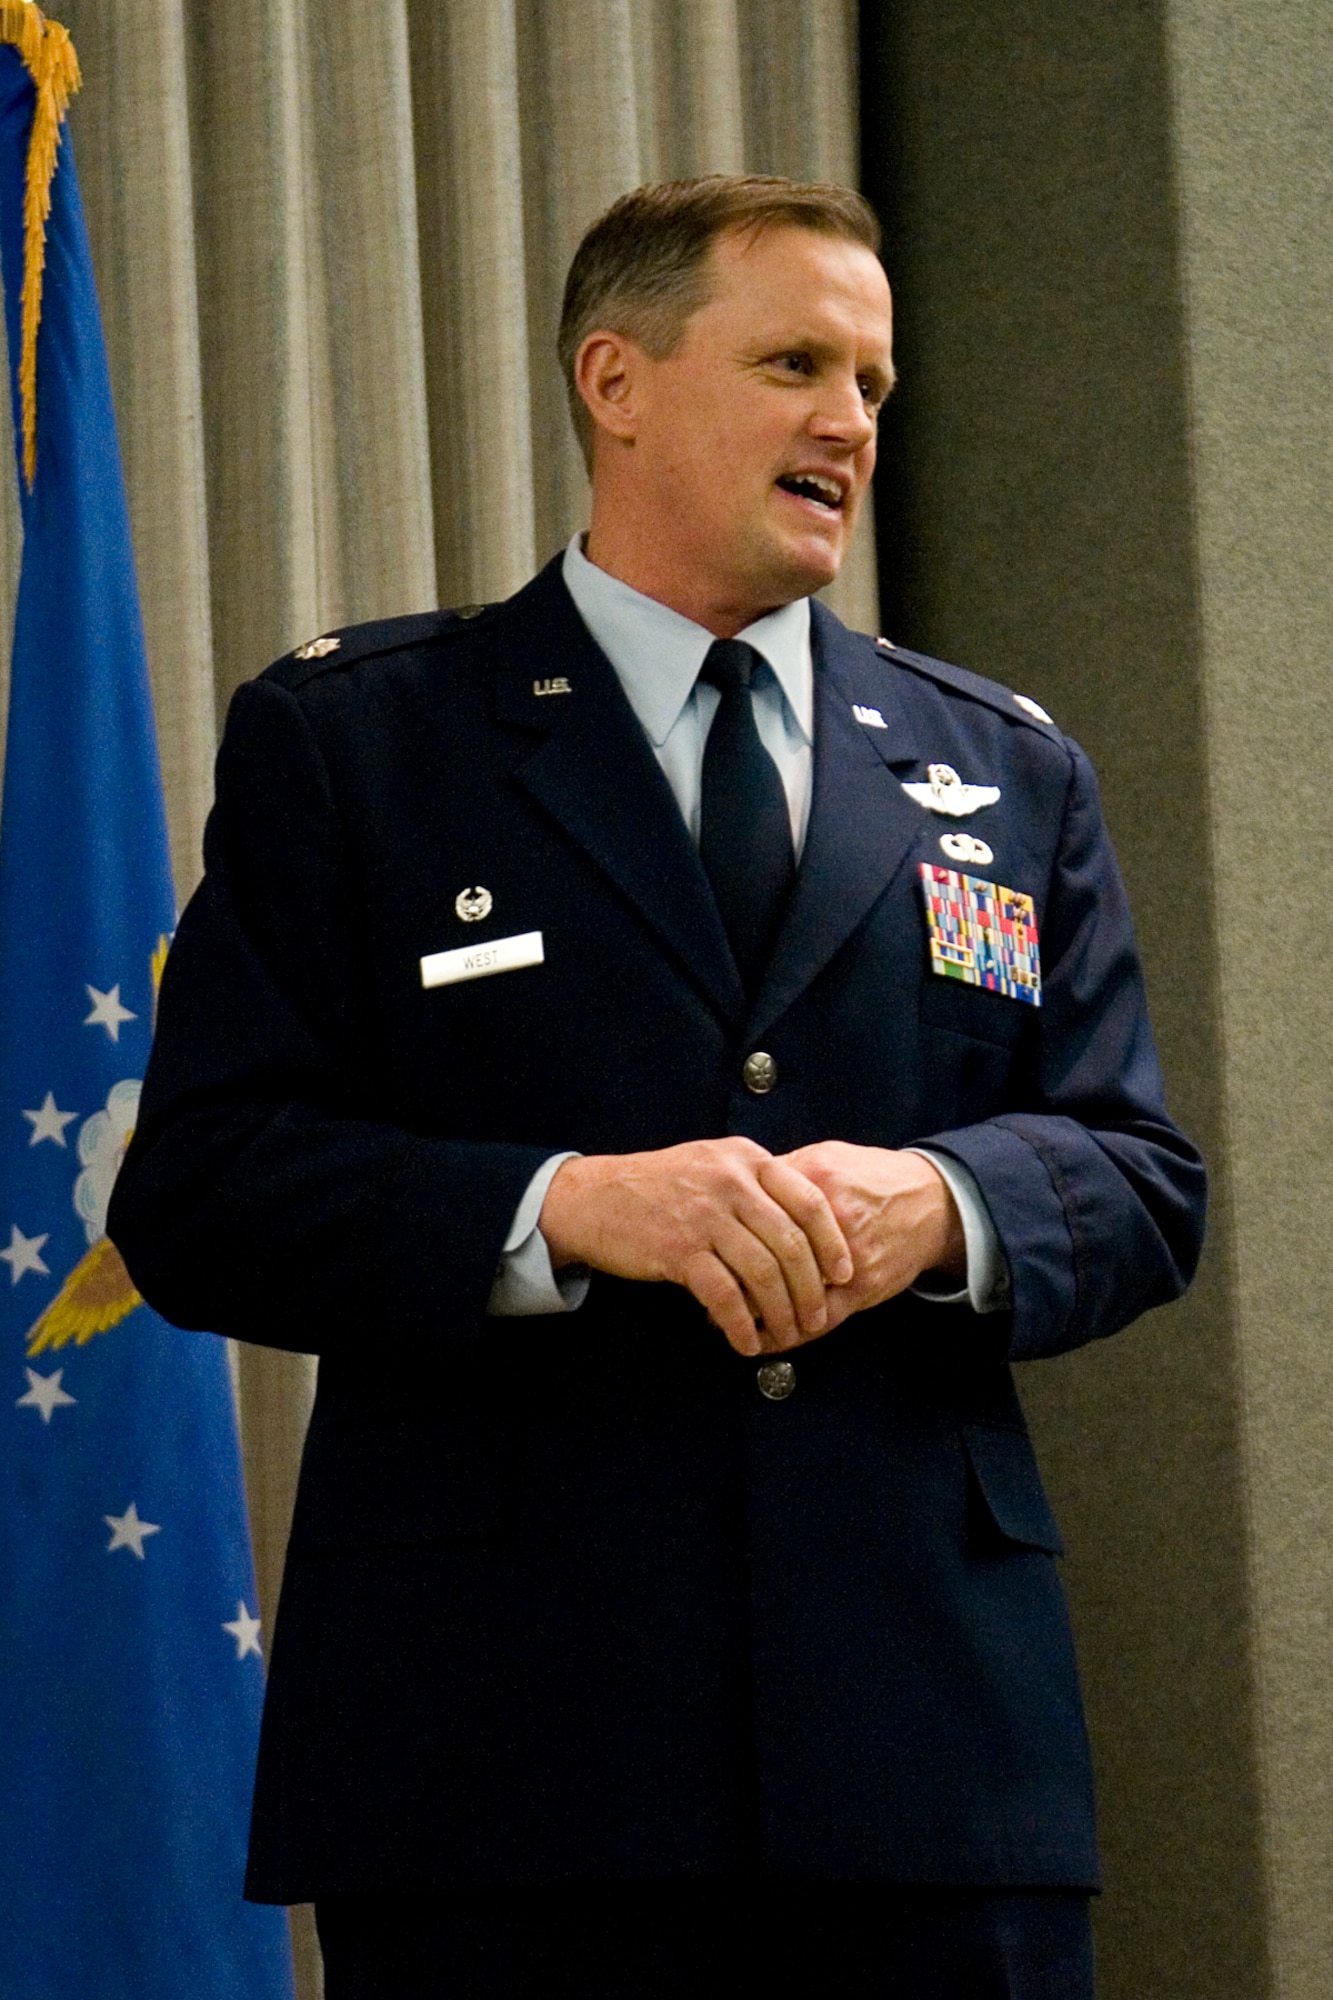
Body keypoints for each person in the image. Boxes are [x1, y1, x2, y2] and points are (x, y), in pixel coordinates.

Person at [109, 176, 1206, 1997]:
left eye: (871, 382)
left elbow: (1138, 1171)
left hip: (926, 1756)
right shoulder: (362, 739)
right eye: (794, 365)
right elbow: (204, 1192)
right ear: (614, 381)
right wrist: (564, 1208)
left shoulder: (1001, 767)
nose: (849, 421)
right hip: (506, 1762)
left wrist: (939, 1206)